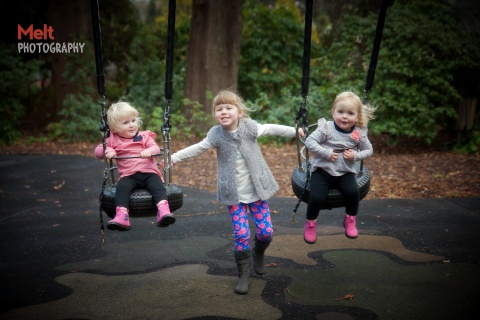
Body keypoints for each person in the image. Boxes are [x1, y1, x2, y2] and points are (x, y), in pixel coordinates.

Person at [166, 90, 304, 294]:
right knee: (241, 233)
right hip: (234, 195)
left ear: (239, 112)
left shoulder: (250, 128)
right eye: (219, 109)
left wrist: (295, 130)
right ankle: (243, 274)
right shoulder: (216, 135)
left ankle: (258, 252)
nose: (223, 112)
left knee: (265, 232)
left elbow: (271, 128)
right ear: (215, 114)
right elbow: (199, 147)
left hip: (256, 191)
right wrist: (174, 157)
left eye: (228, 108)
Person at [303, 91, 375, 244]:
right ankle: (310, 224)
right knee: (316, 197)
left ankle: (350, 219)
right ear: (333, 112)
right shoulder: (327, 128)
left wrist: (355, 156)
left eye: (350, 113)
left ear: (357, 116)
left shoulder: (359, 132)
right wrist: (326, 153)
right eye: (340, 112)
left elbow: (369, 150)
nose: (344, 116)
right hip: (322, 170)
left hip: (345, 172)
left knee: (353, 193)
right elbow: (309, 141)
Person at [94, 101, 175, 231]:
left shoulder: (144, 136)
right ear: (114, 129)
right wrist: (108, 150)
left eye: (133, 120)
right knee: (122, 188)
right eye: (125, 123)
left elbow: (155, 148)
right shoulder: (112, 140)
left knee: (158, 186)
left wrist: (149, 151)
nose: (131, 125)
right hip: (128, 176)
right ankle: (122, 216)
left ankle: (164, 211)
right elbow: (98, 152)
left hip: (149, 172)